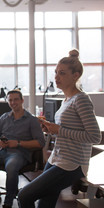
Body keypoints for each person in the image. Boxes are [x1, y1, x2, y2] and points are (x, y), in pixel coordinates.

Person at [18, 49, 102, 208]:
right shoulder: (66, 100)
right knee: (45, 204)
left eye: (62, 73)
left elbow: (94, 136)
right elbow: (66, 131)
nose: (56, 77)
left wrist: (59, 130)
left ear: (75, 75)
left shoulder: (81, 99)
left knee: (24, 196)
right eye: (56, 72)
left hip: (72, 164)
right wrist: (51, 129)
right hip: (57, 159)